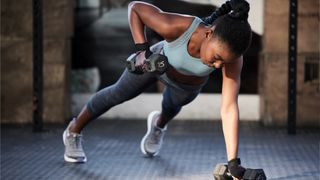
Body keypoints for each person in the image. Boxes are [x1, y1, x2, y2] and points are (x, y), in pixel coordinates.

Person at [63, 0, 252, 179]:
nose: (218, 66)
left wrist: (233, 161)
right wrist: (142, 51)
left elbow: (228, 108)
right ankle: (73, 131)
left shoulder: (233, 59)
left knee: (170, 108)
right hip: (154, 65)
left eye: (224, 62)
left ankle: (158, 126)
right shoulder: (179, 27)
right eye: (217, 57)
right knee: (117, 94)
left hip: (187, 86)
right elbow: (135, 8)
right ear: (209, 33)